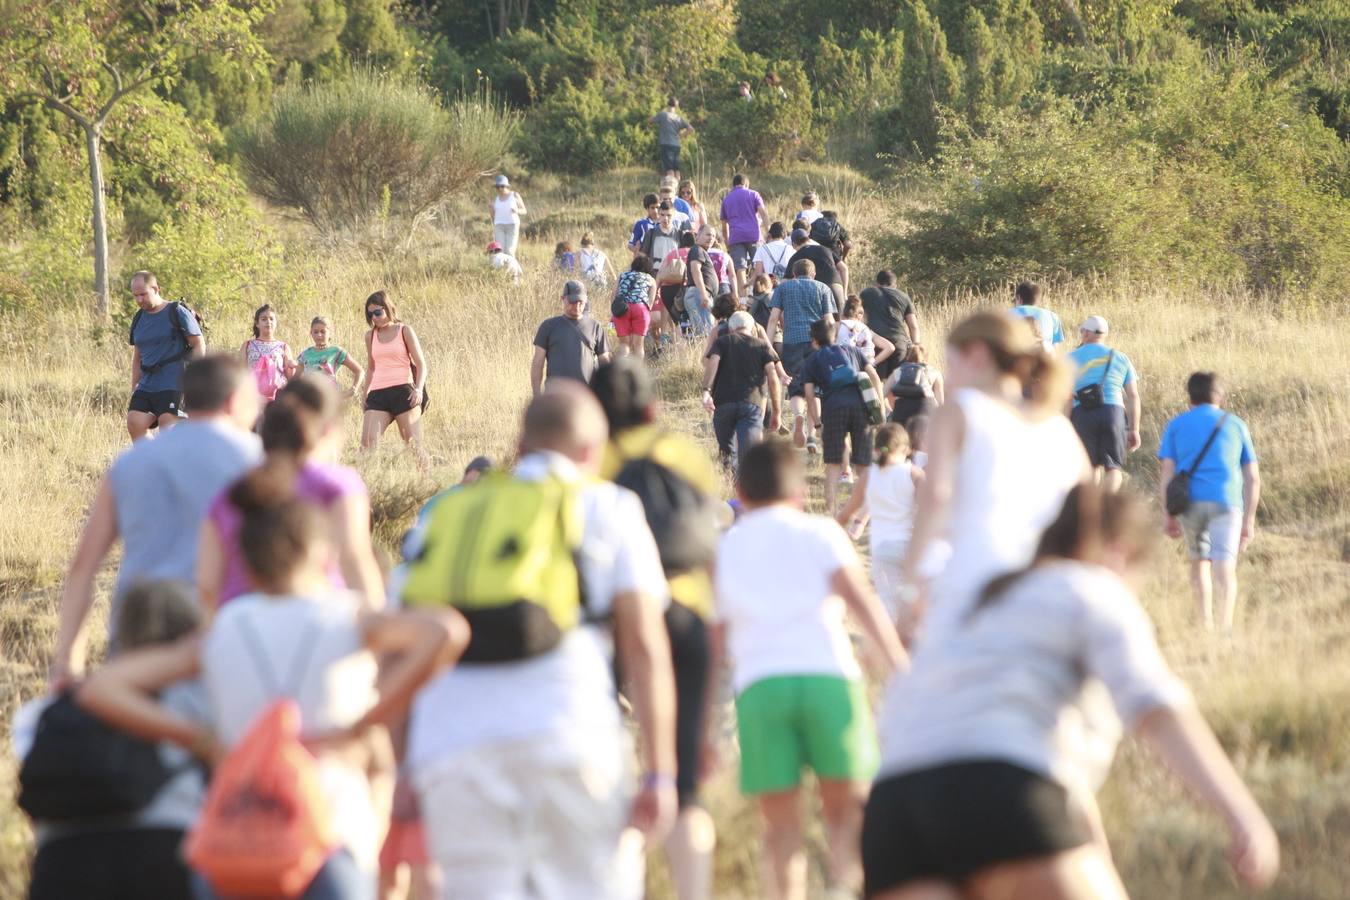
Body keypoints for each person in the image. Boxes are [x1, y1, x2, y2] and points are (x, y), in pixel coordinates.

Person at [864, 487, 1280, 900]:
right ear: (1118, 552)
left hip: (895, 809)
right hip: (1002, 791)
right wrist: (1242, 815)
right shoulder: (1091, 587)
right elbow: (1157, 709)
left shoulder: (974, 607)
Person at [77, 472, 470, 900]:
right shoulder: (348, 616)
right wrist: (365, 723)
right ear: (324, 555)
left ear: (244, 562)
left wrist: (202, 739)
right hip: (329, 835)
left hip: (235, 844)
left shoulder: (222, 630)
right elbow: (445, 631)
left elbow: (102, 688)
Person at [405, 385, 678, 898]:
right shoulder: (608, 505)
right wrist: (661, 774)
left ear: (520, 444)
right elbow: (644, 644)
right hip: (570, 741)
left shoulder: (447, 514)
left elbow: (405, 642)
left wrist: (402, 768)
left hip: (452, 749)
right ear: (592, 451)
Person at [714, 439, 907, 900]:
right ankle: (845, 886)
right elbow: (864, 607)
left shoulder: (727, 546)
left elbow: (716, 639)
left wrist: (705, 716)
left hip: (761, 688)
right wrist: (902, 666)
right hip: (829, 679)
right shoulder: (822, 533)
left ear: (740, 490)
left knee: (780, 829)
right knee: (847, 813)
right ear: (800, 493)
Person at [592, 360, 722, 900]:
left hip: (618, 623)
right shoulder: (685, 456)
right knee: (687, 796)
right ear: (653, 406)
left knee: (605, 778)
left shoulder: (591, 465)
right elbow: (713, 553)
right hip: (688, 616)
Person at [50, 355, 262, 684]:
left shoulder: (131, 461)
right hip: (219, 635)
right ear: (235, 401)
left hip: (136, 629)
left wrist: (67, 664)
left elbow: (83, 568)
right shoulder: (259, 463)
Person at [900, 312, 1088, 649]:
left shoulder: (961, 410)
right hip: (1051, 594)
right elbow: (1088, 513)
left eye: (951, 362)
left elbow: (936, 499)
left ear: (976, 355)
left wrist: (908, 592)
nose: (949, 374)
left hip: (976, 586)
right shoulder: (1060, 429)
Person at [28, 582, 207, 900]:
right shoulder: (198, 700)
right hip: (164, 855)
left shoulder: (55, 708)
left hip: (60, 864)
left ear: (120, 636)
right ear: (187, 634)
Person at [198, 375, 386, 613]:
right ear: (330, 429)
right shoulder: (337, 485)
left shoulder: (233, 490)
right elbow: (355, 560)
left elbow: (207, 585)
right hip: (320, 621)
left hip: (238, 622)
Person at [1158, 371, 1261, 633]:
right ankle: (1225, 627)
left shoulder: (1176, 425)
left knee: (1199, 563)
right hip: (1227, 503)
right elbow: (1252, 478)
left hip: (1190, 504)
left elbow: (1167, 475)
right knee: (1225, 565)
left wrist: (1167, 514)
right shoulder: (1236, 425)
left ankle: (1205, 625)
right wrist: (1249, 520)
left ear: (1189, 397)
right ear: (1221, 396)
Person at [802, 319, 885, 522]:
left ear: (814, 340)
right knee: (863, 465)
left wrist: (817, 423)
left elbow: (810, 396)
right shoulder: (852, 351)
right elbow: (873, 374)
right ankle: (868, 513)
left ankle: (832, 515)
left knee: (832, 465)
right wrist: (879, 403)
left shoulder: (812, 361)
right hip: (860, 409)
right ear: (834, 335)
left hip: (833, 411)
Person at [766, 258, 838, 452]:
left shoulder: (783, 288)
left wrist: (767, 345)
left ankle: (798, 415)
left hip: (792, 342)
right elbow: (830, 320)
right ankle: (813, 434)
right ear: (813, 274)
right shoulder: (823, 288)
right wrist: (832, 346)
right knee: (816, 390)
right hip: (818, 344)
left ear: (794, 274)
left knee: (797, 387)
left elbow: (773, 318)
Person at [126, 271, 205, 440]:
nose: (139, 300)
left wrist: (195, 380)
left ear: (156, 288)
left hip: (175, 382)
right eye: (135, 295)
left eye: (143, 294)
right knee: (134, 422)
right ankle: (151, 462)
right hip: (147, 384)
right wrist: (134, 385)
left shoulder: (176, 311)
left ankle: (174, 464)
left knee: (168, 429)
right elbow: (137, 356)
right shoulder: (139, 318)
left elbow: (198, 343)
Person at [1067, 315, 1142, 493]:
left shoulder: (1069, 358)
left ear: (1085, 333)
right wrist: (1134, 429)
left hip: (1083, 412)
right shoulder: (1121, 358)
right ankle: (1107, 509)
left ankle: (1092, 510)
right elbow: (1133, 396)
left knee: (1090, 468)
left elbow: (1064, 395)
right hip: (1114, 413)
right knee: (1114, 468)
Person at [861, 424, 924, 634]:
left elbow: (848, 512)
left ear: (877, 449)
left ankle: (896, 645)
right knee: (914, 597)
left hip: (883, 547)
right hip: (912, 546)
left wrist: (854, 524)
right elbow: (928, 507)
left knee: (889, 603)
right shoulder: (914, 473)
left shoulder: (870, 475)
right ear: (906, 449)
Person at [702, 311, 782, 471]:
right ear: (752, 327)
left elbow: (713, 362)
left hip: (723, 404)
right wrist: (776, 411)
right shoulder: (762, 345)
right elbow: (773, 378)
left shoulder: (722, 342)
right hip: (752, 405)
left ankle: (729, 481)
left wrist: (706, 390)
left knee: (726, 452)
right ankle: (746, 487)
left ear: (731, 328)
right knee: (749, 455)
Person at [360, 291, 429, 467]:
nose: (374, 317)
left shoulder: (404, 330)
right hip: (377, 394)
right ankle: (366, 489)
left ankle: (427, 486)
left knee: (413, 445)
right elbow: (371, 367)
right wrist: (364, 394)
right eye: (370, 314)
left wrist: (419, 389)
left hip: (403, 391)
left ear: (389, 308)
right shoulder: (370, 336)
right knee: (367, 445)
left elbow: (421, 364)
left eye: (377, 312)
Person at [532, 280, 613, 394]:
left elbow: (605, 363)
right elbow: (537, 363)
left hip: (586, 396)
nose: (577, 305)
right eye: (573, 301)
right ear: (563, 299)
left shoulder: (596, 327)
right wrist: (536, 395)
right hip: (554, 396)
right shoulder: (548, 326)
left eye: (581, 302)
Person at [859, 270, 920, 379]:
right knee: (895, 383)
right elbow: (913, 326)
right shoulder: (904, 297)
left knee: (877, 380)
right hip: (899, 343)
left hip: (877, 344)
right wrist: (916, 347)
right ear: (895, 285)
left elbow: (857, 315)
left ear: (877, 284)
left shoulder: (866, 293)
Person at [719, 173, 768, 295]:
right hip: (754, 235)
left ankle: (743, 298)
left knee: (740, 268)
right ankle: (761, 293)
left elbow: (724, 226)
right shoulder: (753, 194)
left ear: (733, 185)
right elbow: (763, 213)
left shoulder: (726, 199)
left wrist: (727, 241)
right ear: (746, 184)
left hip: (735, 237)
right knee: (758, 264)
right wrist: (768, 231)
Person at [240, 304, 298, 404]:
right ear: (257, 323)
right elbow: (241, 371)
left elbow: (290, 377)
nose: (268, 322)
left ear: (276, 322)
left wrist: (292, 366)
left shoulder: (283, 346)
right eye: (264, 319)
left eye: (271, 319)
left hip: (278, 397)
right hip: (254, 396)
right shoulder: (248, 345)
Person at [299, 316, 365, 397]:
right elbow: (295, 378)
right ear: (311, 333)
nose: (319, 335)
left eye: (323, 332)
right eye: (315, 332)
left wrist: (353, 389)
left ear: (329, 332)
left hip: (329, 399)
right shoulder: (305, 354)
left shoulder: (336, 351)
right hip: (309, 399)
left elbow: (359, 371)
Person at [885, 343, 944, 430]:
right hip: (925, 408)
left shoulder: (898, 371)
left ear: (908, 356)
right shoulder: (934, 372)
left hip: (901, 410)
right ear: (926, 356)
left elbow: (882, 394)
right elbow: (940, 402)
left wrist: (890, 411)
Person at [784, 223, 844, 307]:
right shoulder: (824, 249)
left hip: (820, 290)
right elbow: (843, 268)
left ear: (793, 244)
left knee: (825, 319)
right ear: (809, 238)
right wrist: (844, 292)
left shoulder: (797, 256)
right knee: (840, 318)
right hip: (837, 285)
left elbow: (785, 281)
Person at [612, 255, 658, 360]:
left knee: (624, 345)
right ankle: (637, 373)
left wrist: (613, 310)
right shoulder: (650, 279)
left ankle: (620, 373)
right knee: (638, 346)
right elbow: (650, 301)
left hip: (622, 308)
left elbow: (614, 293)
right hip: (641, 309)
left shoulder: (622, 275)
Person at [836, 295, 896, 370]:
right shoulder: (866, 330)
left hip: (846, 367)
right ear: (860, 316)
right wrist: (872, 363)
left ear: (843, 313)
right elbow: (890, 347)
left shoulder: (837, 326)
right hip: (865, 369)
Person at [1008, 281, 1065, 353]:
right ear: (1038, 299)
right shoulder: (1052, 316)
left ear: (1018, 298)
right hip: (1044, 359)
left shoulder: (1004, 316)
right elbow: (1055, 349)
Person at [683, 225, 720, 336]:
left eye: (713, 236)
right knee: (706, 333)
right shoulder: (697, 250)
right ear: (698, 235)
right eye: (708, 234)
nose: (711, 238)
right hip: (698, 294)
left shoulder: (700, 251)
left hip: (700, 294)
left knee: (705, 331)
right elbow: (696, 270)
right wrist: (703, 294)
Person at [640, 201, 688, 273]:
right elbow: (642, 256)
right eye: (662, 215)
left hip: (674, 276)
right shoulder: (650, 233)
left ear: (674, 214)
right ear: (658, 214)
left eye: (669, 215)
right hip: (654, 275)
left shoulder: (680, 234)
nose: (665, 218)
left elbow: (685, 257)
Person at [651, 97, 693, 177]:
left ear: (667, 104)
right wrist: (681, 135)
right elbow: (691, 129)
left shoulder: (662, 114)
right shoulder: (679, 118)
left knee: (669, 169)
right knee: (676, 169)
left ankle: (671, 187)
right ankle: (678, 187)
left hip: (666, 145)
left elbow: (650, 121)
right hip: (676, 146)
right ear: (676, 107)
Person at [490, 174, 527, 256]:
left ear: (507, 186)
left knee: (509, 251)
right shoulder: (496, 199)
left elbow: (524, 210)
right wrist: (491, 208)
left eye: (502, 186)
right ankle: (502, 268)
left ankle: (512, 268)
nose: (500, 188)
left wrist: (517, 210)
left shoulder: (514, 195)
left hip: (512, 225)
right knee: (500, 251)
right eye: (497, 187)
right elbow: (493, 217)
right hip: (499, 225)